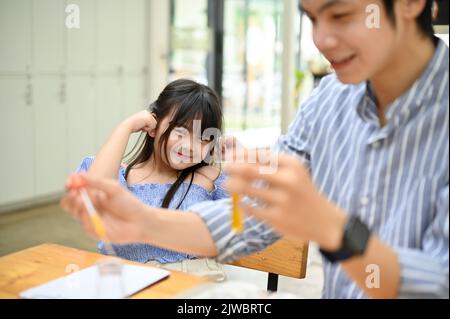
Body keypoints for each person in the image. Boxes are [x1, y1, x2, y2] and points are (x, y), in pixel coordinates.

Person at [62, 0, 448, 298]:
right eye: (311, 18)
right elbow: (251, 221)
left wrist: (333, 228)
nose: (321, 40)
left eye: (341, 15)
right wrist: (143, 222)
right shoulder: (325, 101)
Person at [73, 79, 229, 281]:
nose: (190, 146)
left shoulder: (209, 178)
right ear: (153, 127)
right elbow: (94, 194)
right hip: (127, 280)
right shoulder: (121, 176)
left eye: (204, 138)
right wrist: (126, 127)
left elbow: (237, 226)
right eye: (180, 131)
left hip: (195, 283)